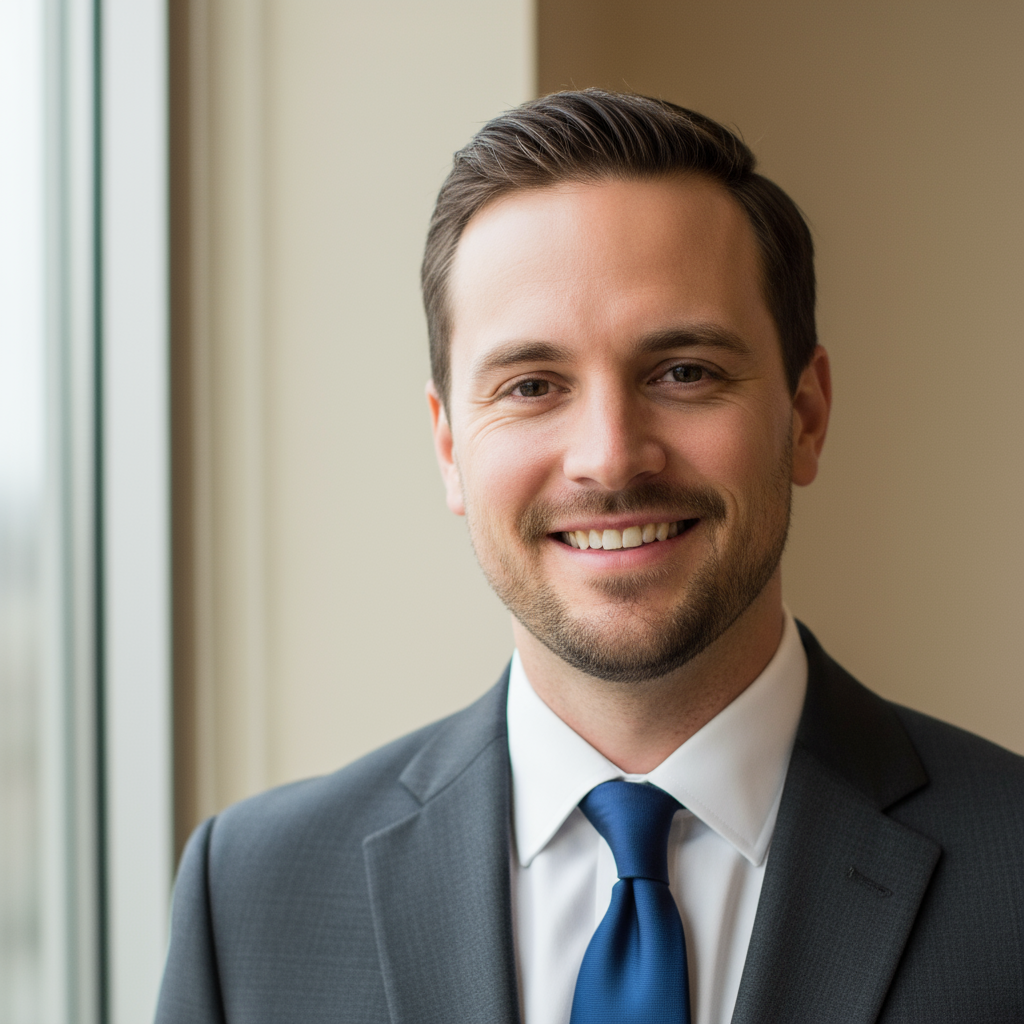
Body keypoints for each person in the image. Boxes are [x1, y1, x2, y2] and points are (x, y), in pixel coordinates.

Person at [155, 91, 1024, 1024]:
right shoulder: (250, 898)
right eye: (532, 386)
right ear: (449, 446)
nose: (610, 457)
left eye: (684, 371)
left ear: (805, 416)